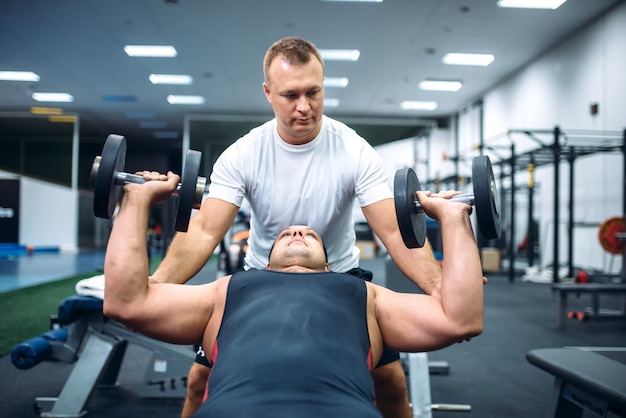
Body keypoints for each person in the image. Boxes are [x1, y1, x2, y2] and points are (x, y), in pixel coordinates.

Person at [151, 36, 444, 418]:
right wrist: (155, 288)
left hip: (339, 279)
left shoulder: (354, 150)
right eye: (290, 95)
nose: (304, 107)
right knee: (198, 382)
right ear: (268, 93)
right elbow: (206, 231)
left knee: (389, 382)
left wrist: (441, 286)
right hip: (259, 281)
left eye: (313, 92)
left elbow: (392, 230)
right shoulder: (244, 153)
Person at [103, 171, 484, 418]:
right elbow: (126, 302)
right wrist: (135, 200)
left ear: (329, 266)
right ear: (266, 264)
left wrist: (453, 218)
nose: (297, 233)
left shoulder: (364, 293)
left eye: (310, 235)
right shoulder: (227, 290)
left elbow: (461, 318)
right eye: (286, 235)